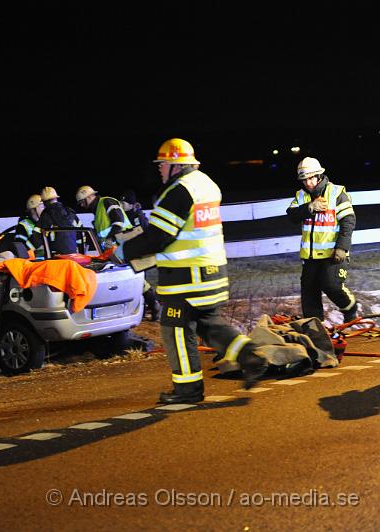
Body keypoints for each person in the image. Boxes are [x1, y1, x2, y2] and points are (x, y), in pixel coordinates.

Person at [114, 138, 268, 404]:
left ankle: (187, 390)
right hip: (213, 271)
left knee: (174, 328)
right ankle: (250, 356)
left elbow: (159, 237)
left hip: (186, 278)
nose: (160, 170)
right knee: (208, 323)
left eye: (162, 164)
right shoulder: (206, 184)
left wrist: (124, 252)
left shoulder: (178, 191)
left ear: (175, 164)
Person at [286, 157, 358, 322]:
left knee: (332, 286)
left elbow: (348, 221)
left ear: (319, 175)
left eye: (311, 178)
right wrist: (309, 207)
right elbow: (292, 215)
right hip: (310, 256)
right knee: (309, 292)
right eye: (304, 180)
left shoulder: (337, 193)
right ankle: (315, 326)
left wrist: (342, 247)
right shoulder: (301, 196)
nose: (308, 183)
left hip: (333, 253)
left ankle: (350, 308)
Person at [119, 189, 160, 321]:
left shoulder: (139, 217)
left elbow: (146, 235)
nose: (121, 204)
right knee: (139, 283)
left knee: (141, 283)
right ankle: (146, 309)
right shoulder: (127, 216)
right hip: (133, 254)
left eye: (123, 202)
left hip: (142, 256)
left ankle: (154, 306)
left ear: (130, 204)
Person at [75, 185, 132, 250]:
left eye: (82, 202)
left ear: (89, 197)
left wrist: (110, 239)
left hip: (126, 243)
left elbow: (119, 221)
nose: (82, 205)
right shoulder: (97, 211)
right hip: (116, 248)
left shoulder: (106, 201)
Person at [37, 186, 82, 255]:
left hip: (55, 256)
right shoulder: (69, 212)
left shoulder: (46, 214)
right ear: (56, 198)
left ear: (44, 202)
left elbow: (37, 236)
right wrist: (80, 251)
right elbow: (81, 233)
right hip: (73, 254)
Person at [13, 194, 45, 258]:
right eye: (42, 206)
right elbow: (20, 250)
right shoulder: (23, 226)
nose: (45, 209)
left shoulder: (47, 223)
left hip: (50, 262)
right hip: (35, 263)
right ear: (34, 209)